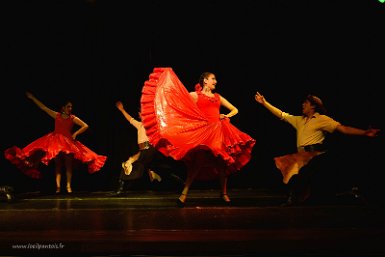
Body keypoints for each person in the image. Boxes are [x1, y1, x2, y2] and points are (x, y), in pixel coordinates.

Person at [140, 67, 256, 207]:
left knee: (222, 163)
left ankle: (224, 193)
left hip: (218, 132)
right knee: (198, 162)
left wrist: (226, 116)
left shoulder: (217, 97)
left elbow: (235, 109)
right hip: (203, 133)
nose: (215, 81)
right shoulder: (195, 95)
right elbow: (179, 101)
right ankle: (184, 193)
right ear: (205, 81)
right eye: (213, 79)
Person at [254, 91, 380, 206]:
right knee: (293, 173)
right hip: (302, 156)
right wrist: (264, 103)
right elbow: (282, 115)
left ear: (313, 106)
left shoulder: (322, 120)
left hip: (314, 154)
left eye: (306, 103)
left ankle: (297, 198)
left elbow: (343, 129)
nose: (303, 104)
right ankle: (299, 198)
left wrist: (364, 132)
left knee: (292, 168)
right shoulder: (299, 120)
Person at [4, 92, 107, 194]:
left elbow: (85, 125)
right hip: (56, 143)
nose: (70, 108)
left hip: (68, 144)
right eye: (68, 106)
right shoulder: (57, 115)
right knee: (58, 165)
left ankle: (68, 186)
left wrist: (75, 133)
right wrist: (33, 98)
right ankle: (58, 187)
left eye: (71, 107)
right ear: (63, 108)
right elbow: (44, 108)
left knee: (68, 165)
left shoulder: (73, 118)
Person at [114, 100, 184, 195]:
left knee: (133, 164)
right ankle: (180, 183)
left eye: (141, 113)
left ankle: (122, 187)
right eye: (139, 113)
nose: (139, 114)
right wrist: (122, 110)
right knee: (160, 169)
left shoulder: (152, 124)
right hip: (145, 151)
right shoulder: (139, 125)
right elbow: (130, 119)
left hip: (149, 149)